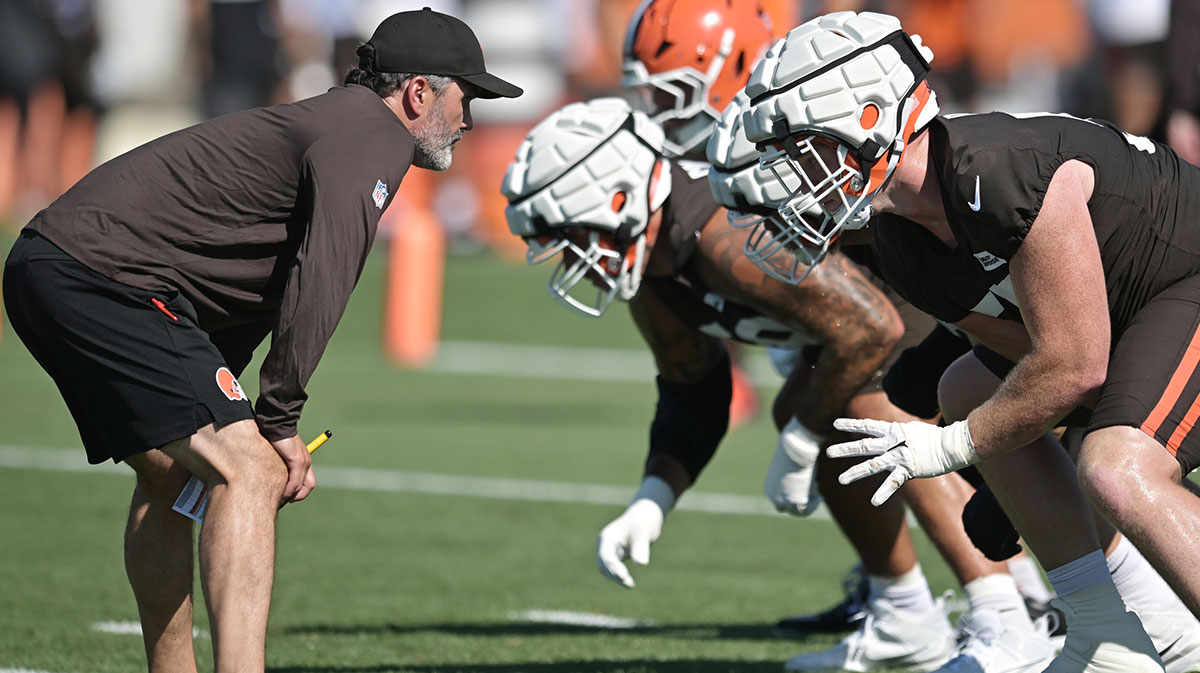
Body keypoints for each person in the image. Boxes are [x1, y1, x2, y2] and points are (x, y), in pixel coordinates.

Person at [2, 8, 519, 673]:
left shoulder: (339, 124)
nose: (471, 118)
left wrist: (252, 410)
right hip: (102, 277)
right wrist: (276, 420)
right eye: (466, 95)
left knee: (175, 474)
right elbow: (322, 274)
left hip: (56, 266)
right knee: (247, 466)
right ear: (418, 92)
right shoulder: (371, 133)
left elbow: (238, 294)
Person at [737, 9, 1200, 672]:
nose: (796, 173)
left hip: (1185, 275)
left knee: (1116, 465)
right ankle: (1106, 630)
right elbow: (1027, 358)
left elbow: (1075, 367)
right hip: (1144, 309)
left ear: (868, 118)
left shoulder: (1002, 169)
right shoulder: (902, 242)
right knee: (967, 386)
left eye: (803, 146)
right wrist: (1011, 469)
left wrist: (959, 447)